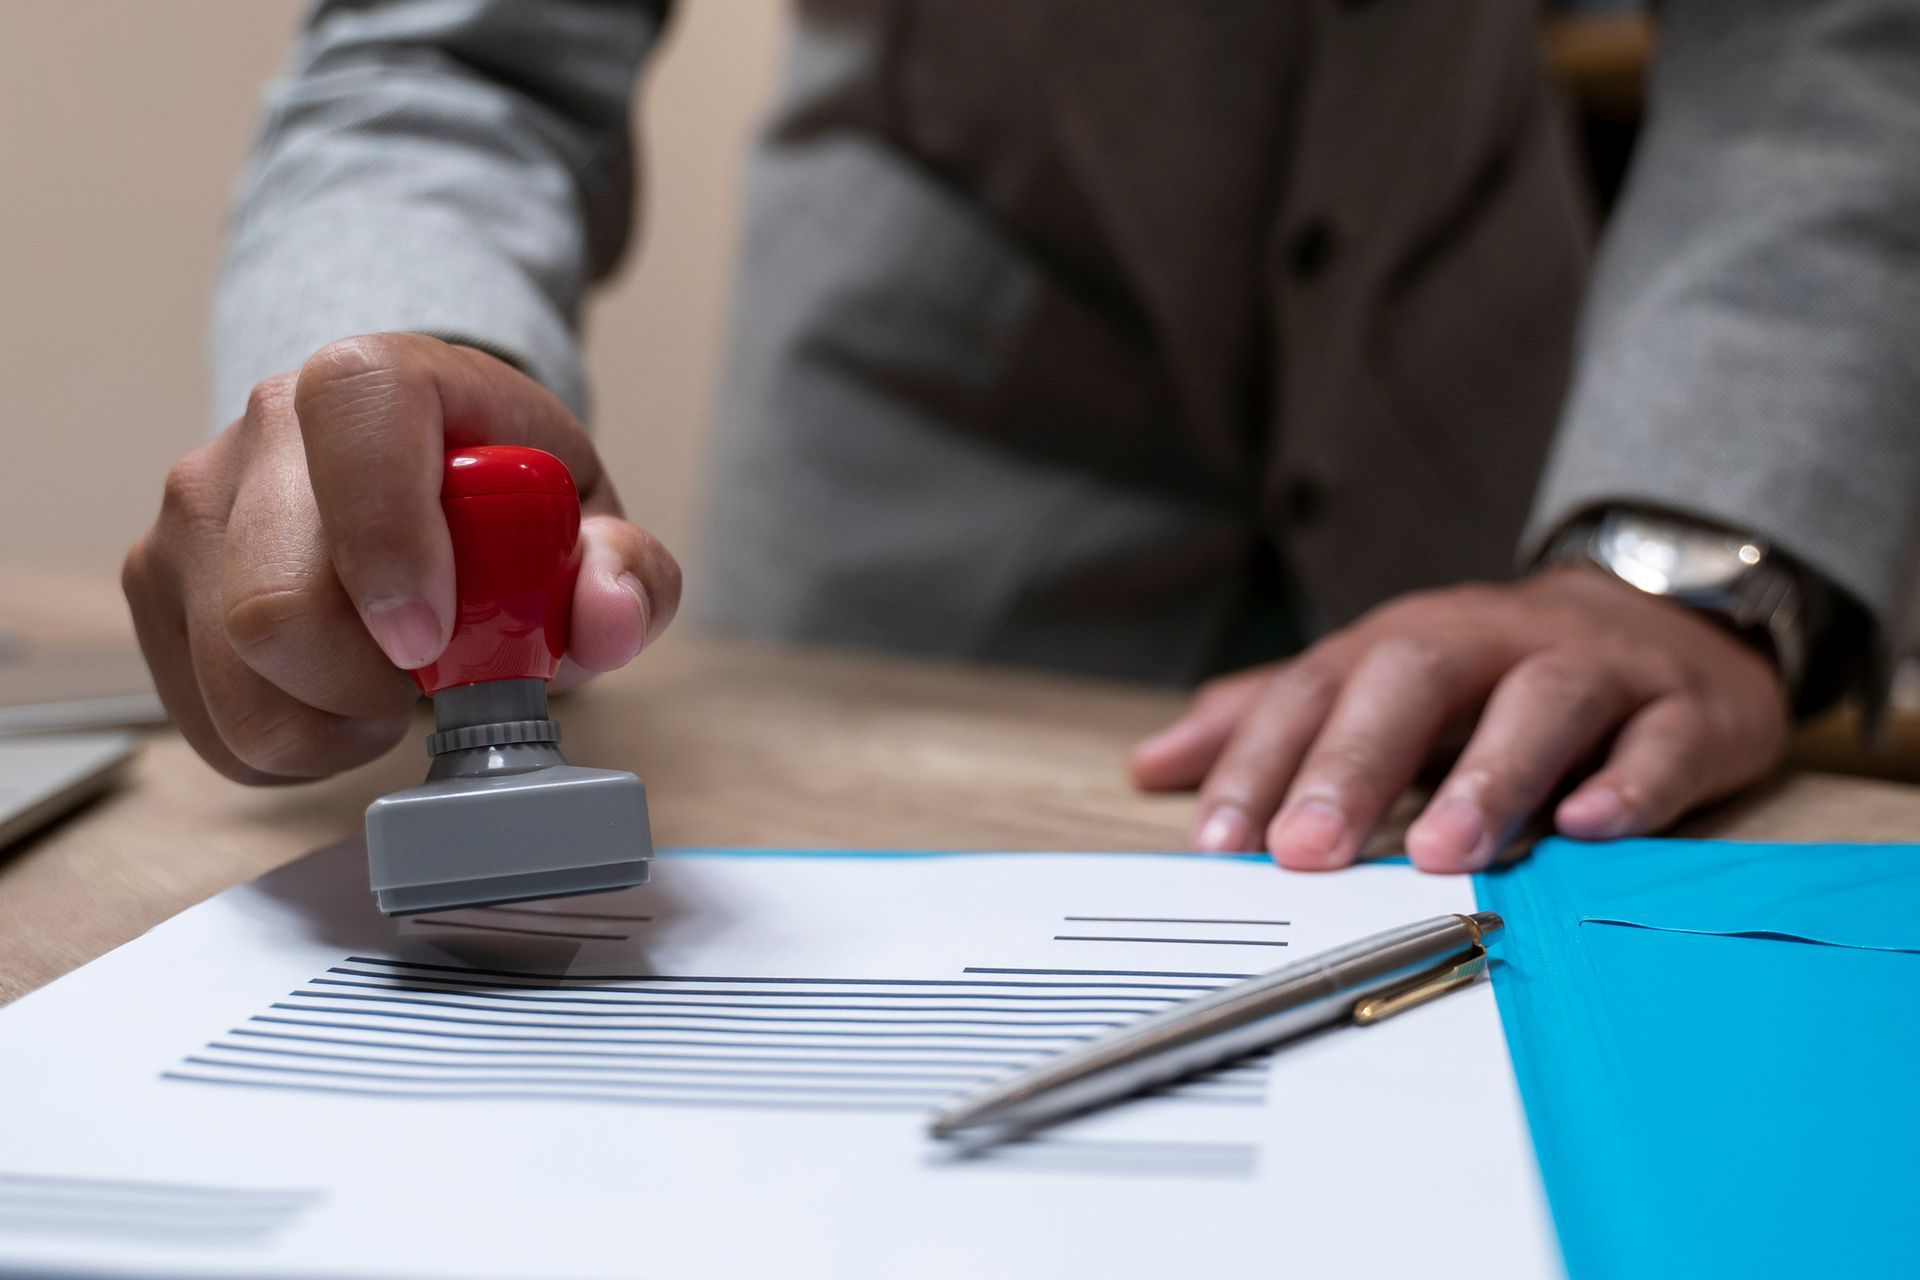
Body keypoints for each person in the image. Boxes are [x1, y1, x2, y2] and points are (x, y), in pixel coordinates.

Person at [124, 1, 1915, 874]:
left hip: (1492, 464)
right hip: (914, 493)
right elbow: (459, 55)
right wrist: (381, 408)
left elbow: (1837, 37)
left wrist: (1679, 552)